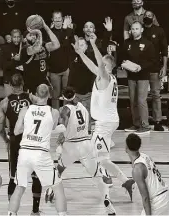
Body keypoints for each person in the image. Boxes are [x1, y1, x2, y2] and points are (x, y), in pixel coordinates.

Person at [72, 34, 135, 201]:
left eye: (104, 65)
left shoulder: (106, 77)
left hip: (105, 123)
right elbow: (93, 65)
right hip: (108, 121)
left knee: (97, 156)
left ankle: (114, 180)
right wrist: (80, 53)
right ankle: (119, 180)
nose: (100, 67)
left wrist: (93, 44)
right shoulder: (104, 76)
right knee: (99, 157)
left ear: (109, 67)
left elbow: (98, 64)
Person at [45, 86, 116, 215]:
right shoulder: (83, 107)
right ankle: (106, 198)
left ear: (63, 97)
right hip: (86, 143)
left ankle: (50, 190)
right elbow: (88, 126)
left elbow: (62, 126)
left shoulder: (65, 109)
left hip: (71, 146)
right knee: (97, 175)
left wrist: (56, 134)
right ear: (75, 95)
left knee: (59, 170)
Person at [8, 84, 67, 216]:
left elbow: (16, 131)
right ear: (49, 95)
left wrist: (28, 128)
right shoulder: (54, 112)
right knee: (58, 188)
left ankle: (10, 214)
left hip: (24, 152)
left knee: (19, 188)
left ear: (35, 94)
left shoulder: (25, 109)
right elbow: (51, 129)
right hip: (40, 153)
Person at [0, 73, 43, 215]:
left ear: (10, 86)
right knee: (35, 176)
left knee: (13, 178)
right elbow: (44, 107)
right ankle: (35, 211)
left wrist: (6, 140)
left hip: (15, 141)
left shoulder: (4, 102)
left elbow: (0, 127)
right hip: (31, 140)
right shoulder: (31, 98)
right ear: (23, 84)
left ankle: (12, 212)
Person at [68, 18, 112, 132]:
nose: (88, 29)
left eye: (91, 26)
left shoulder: (92, 53)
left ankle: (87, 134)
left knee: (86, 116)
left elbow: (102, 52)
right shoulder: (74, 55)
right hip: (76, 92)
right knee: (74, 118)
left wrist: (108, 32)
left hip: (88, 91)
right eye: (86, 26)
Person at [120, 21, 156, 134]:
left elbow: (153, 61)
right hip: (131, 76)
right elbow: (122, 57)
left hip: (143, 76)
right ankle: (136, 124)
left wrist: (141, 67)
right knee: (133, 101)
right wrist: (123, 63)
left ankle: (145, 126)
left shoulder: (148, 44)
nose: (134, 31)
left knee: (141, 101)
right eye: (132, 29)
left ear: (141, 30)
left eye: (136, 28)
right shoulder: (127, 43)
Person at [125, 133, 169, 215]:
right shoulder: (145, 156)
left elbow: (145, 197)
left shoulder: (137, 169)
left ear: (126, 148)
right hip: (164, 195)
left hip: (157, 201)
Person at [21, 16, 60, 94]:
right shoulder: (25, 49)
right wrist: (39, 32)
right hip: (30, 84)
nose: (33, 36)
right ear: (25, 39)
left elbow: (57, 44)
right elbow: (36, 48)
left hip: (43, 83)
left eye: (34, 35)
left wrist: (45, 27)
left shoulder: (44, 46)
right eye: (30, 35)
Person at [143, 11, 168, 131]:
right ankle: (143, 121)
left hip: (155, 68)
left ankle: (158, 121)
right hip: (141, 69)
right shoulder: (140, 30)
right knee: (141, 97)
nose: (147, 17)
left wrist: (164, 67)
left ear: (153, 18)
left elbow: (164, 51)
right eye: (145, 15)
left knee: (156, 95)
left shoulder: (159, 31)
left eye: (150, 16)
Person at [49, 11, 74, 109]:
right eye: (56, 18)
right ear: (52, 20)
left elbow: (71, 46)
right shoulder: (50, 32)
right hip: (54, 70)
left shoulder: (68, 31)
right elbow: (58, 45)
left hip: (66, 68)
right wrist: (64, 29)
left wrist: (67, 29)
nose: (58, 20)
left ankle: (66, 115)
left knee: (66, 94)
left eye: (59, 18)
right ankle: (55, 115)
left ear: (62, 19)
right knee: (55, 95)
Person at [0, 29, 24, 97]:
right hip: (9, 80)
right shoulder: (4, 48)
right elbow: (2, 65)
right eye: (14, 37)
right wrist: (14, 60)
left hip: (21, 81)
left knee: (20, 102)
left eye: (18, 37)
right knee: (9, 102)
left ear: (21, 37)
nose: (16, 39)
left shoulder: (24, 48)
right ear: (11, 37)